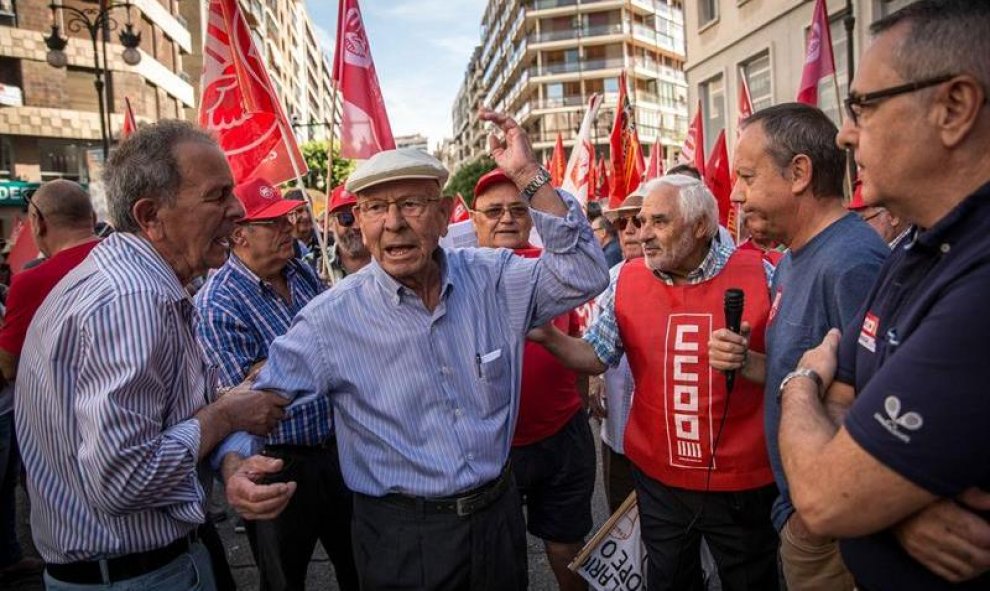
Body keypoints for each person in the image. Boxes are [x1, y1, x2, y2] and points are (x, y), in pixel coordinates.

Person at [214, 109, 610, 590]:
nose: (394, 223)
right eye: (376, 208)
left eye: (411, 204)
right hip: (402, 536)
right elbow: (261, 399)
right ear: (359, 221)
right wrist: (236, 465)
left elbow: (585, 274)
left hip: (497, 519)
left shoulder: (494, 278)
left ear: (444, 215)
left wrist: (529, 175)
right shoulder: (330, 319)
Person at [14, 120, 291, 590]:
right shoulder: (133, 299)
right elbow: (125, 476)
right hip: (139, 576)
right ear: (150, 215)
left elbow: (165, 421)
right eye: (217, 195)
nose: (238, 209)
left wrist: (228, 461)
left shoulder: (137, 284)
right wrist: (225, 416)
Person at [777, 1, 990, 589]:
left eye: (864, 106)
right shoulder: (912, 245)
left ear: (954, 108)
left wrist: (799, 384)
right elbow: (845, 397)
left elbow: (823, 495)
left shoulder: (979, 284)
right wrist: (891, 505)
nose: (845, 133)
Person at [531, 174, 779, 591]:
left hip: (742, 484)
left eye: (658, 222)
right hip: (659, 481)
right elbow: (594, 355)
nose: (643, 235)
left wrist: (749, 361)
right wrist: (548, 335)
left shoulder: (763, 276)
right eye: (641, 223)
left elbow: (797, 372)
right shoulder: (625, 279)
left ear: (700, 226)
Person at [709, 102, 889, 590]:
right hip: (799, 512)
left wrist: (811, 524)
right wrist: (749, 363)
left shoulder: (854, 264)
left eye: (747, 176)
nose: (737, 194)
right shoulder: (792, 259)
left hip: (834, 533)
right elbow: (808, 374)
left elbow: (879, 416)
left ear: (799, 173)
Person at [195, 178, 358, 591]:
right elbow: (245, 398)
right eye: (272, 222)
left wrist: (281, 363)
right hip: (276, 461)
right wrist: (314, 355)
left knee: (360, 562)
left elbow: (336, 332)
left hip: (339, 448)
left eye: (286, 217)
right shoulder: (218, 303)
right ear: (238, 235)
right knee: (284, 578)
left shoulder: (300, 269)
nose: (289, 226)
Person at [470, 168, 594, 591]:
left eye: (517, 209)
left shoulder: (554, 273)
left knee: (567, 550)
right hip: (492, 446)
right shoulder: (456, 276)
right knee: (499, 561)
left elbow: (576, 345)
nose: (506, 218)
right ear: (473, 219)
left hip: (563, 437)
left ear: (531, 218)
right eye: (493, 211)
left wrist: (582, 399)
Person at [0, 180, 99, 580]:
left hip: (57, 430)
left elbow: (7, 366)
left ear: (37, 220)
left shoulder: (32, 281)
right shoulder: (127, 261)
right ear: (91, 218)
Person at [594, 186, 645, 513]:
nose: (627, 231)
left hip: (659, 438)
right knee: (620, 522)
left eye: (637, 222)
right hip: (615, 426)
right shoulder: (609, 278)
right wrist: (593, 376)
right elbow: (594, 340)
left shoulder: (684, 281)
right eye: (621, 224)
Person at [324, 184, 371, 283]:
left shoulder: (391, 260)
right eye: (346, 218)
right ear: (331, 222)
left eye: (362, 215)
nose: (357, 226)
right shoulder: (314, 266)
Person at [846, 182, 909, 248]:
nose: (858, 229)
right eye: (857, 221)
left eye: (863, 219)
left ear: (893, 217)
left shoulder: (913, 252)